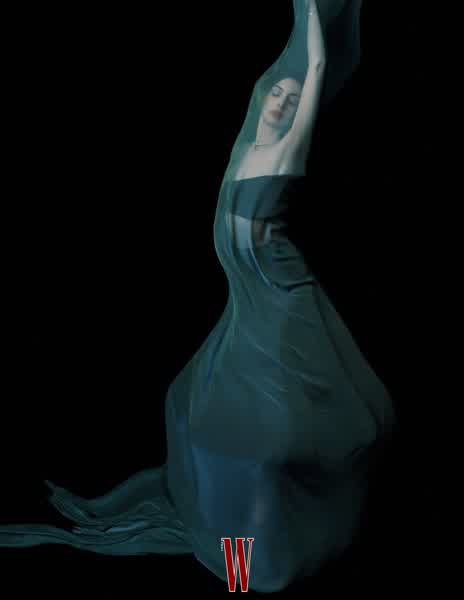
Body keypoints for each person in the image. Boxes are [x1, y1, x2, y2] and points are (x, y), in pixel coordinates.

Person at [0, 1, 394, 593]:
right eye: (275, 93)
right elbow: (281, 81)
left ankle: (246, 572)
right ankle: (237, 566)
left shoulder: (282, 154)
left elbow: (312, 70)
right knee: (194, 418)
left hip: (278, 295)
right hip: (248, 301)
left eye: (290, 101)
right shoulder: (247, 145)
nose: (280, 103)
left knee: (248, 454)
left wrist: (311, 24)